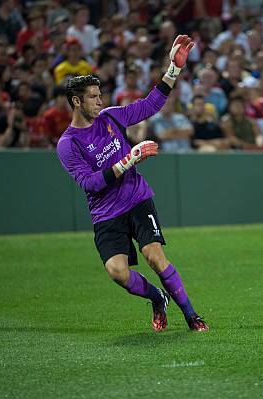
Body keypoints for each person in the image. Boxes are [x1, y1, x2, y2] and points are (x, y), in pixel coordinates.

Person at [56, 35, 209, 333]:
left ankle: (192, 316)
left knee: (155, 256)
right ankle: (157, 298)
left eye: (100, 95)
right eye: (93, 97)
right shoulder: (68, 143)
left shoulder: (111, 117)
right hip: (106, 215)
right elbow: (89, 183)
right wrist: (127, 161)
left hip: (137, 199)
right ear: (76, 101)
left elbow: (151, 104)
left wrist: (173, 70)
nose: (100, 101)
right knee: (116, 271)